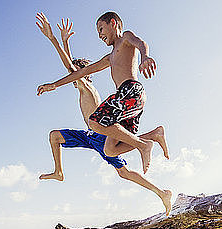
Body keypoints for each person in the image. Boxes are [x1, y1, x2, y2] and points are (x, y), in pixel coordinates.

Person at [35, 13, 172, 215]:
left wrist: (145, 56)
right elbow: (77, 72)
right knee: (111, 155)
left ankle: (144, 144)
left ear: (113, 23)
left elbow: (139, 42)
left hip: (129, 93)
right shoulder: (109, 57)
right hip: (110, 119)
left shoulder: (124, 39)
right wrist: (55, 85)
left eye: (100, 29)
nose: (99, 35)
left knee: (96, 123)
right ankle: (153, 141)